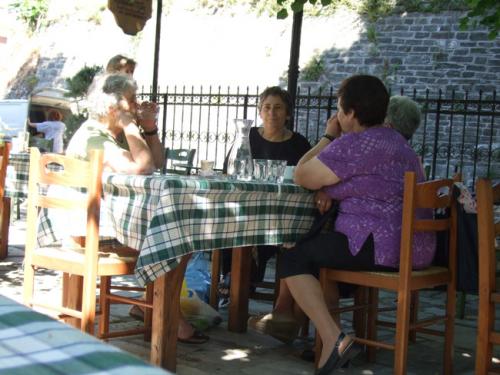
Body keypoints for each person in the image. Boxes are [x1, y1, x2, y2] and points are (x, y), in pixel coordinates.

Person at [277, 75, 434, 374]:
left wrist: (328, 136)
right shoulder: (400, 145)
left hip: (375, 246)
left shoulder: (354, 144)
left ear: (350, 113)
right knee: (316, 256)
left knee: (294, 257)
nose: (337, 115)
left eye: (339, 108)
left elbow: (303, 175)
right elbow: (366, 185)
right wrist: (332, 190)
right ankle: (331, 345)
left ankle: (333, 337)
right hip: (416, 248)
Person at [66, 73, 208, 344]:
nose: (137, 103)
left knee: (179, 235)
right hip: (88, 229)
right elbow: (143, 168)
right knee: (176, 237)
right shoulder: (95, 137)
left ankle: (152, 305)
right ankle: (166, 315)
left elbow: (155, 161)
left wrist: (149, 127)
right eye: (131, 100)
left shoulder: (109, 135)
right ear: (113, 106)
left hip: (100, 222)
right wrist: (130, 125)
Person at [218, 86, 311, 309]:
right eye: (267, 107)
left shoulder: (299, 144)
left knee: (265, 234)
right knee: (230, 225)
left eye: (278, 108)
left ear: (288, 113)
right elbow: (228, 172)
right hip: (244, 208)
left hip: (280, 213)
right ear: (260, 112)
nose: (272, 113)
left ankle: (242, 279)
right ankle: (234, 276)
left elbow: (308, 175)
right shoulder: (247, 137)